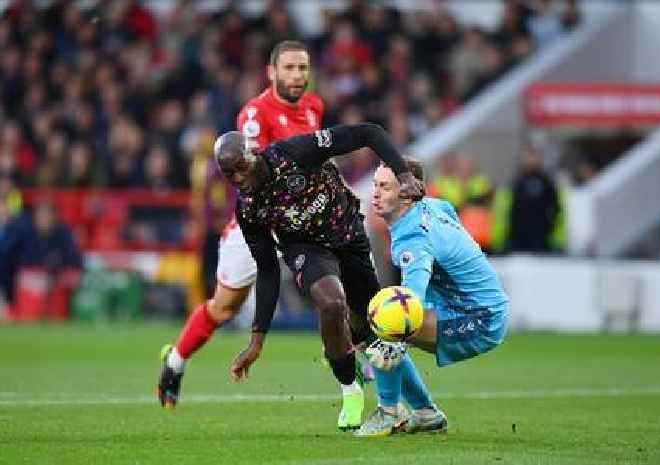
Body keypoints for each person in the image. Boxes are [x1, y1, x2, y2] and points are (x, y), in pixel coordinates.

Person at [213, 123, 423, 431]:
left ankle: (422, 408)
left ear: (253, 154)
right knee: (331, 302)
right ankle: (350, 388)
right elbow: (268, 270)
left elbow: (369, 133)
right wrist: (257, 341)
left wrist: (403, 173)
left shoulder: (295, 152)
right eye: (229, 174)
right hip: (306, 249)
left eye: (241, 168)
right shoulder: (248, 209)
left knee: (376, 328)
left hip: (348, 233)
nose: (238, 179)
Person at [157, 41, 325, 407]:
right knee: (223, 308)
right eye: (289, 68)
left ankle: (360, 374)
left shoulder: (315, 107)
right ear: (272, 72)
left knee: (332, 291)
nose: (297, 76)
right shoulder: (255, 114)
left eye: (302, 68)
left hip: (301, 221)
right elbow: (251, 175)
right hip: (258, 225)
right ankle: (175, 361)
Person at [354, 160, 509, 437]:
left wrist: (390, 345)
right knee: (380, 324)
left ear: (408, 194)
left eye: (384, 187)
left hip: (480, 318)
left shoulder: (413, 237)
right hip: (464, 306)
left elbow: (409, 305)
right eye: (375, 185)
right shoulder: (435, 206)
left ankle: (388, 412)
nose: (375, 194)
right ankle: (425, 414)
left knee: (385, 321)